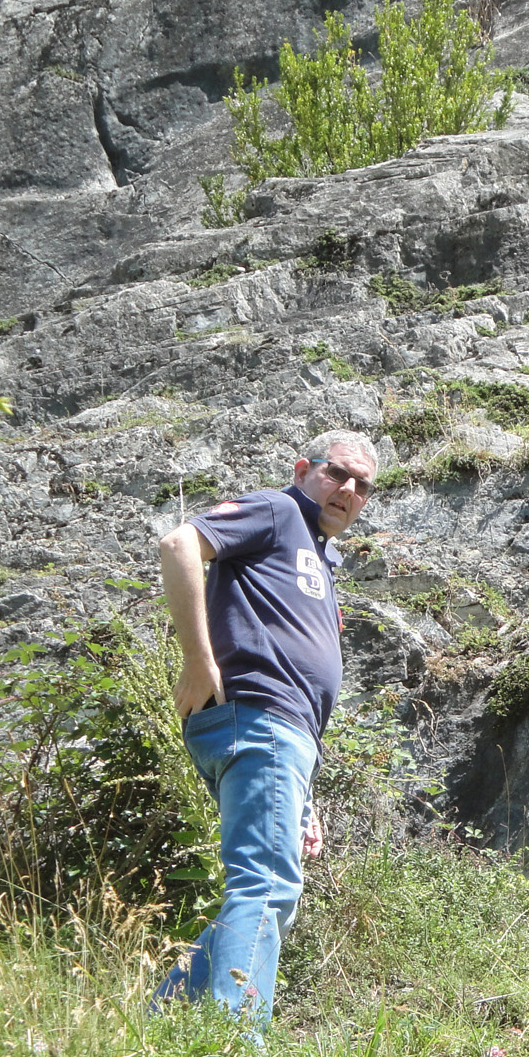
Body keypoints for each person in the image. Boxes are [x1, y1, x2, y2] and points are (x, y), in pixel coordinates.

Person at [152, 430, 379, 1023]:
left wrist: (304, 797)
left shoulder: (320, 555)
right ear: (304, 469)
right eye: (337, 474)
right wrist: (198, 660)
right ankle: (232, 1042)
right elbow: (179, 544)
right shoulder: (278, 511)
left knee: (270, 890)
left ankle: (161, 1022)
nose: (348, 490)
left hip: (283, 734)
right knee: (266, 886)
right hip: (258, 716)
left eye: (362, 486)